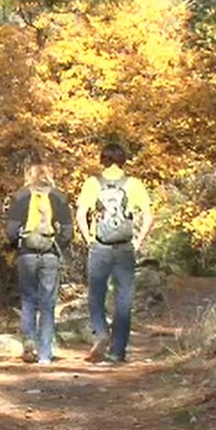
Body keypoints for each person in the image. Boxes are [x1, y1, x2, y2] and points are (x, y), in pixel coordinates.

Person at [76, 143, 154, 364]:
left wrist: (88, 239)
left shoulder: (92, 183)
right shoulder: (134, 184)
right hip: (125, 248)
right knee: (124, 299)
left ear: (103, 160)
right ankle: (117, 351)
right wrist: (138, 241)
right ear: (123, 161)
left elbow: (81, 214)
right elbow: (149, 216)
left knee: (95, 295)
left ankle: (101, 333)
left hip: (100, 246)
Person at [5, 155, 73, 365]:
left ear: (29, 176)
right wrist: (58, 243)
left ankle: (29, 344)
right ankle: (45, 354)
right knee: (48, 303)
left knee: (27, 300)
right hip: (50, 254)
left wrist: (18, 244)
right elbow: (68, 230)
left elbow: (11, 231)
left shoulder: (20, 197)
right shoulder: (59, 197)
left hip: (27, 254)